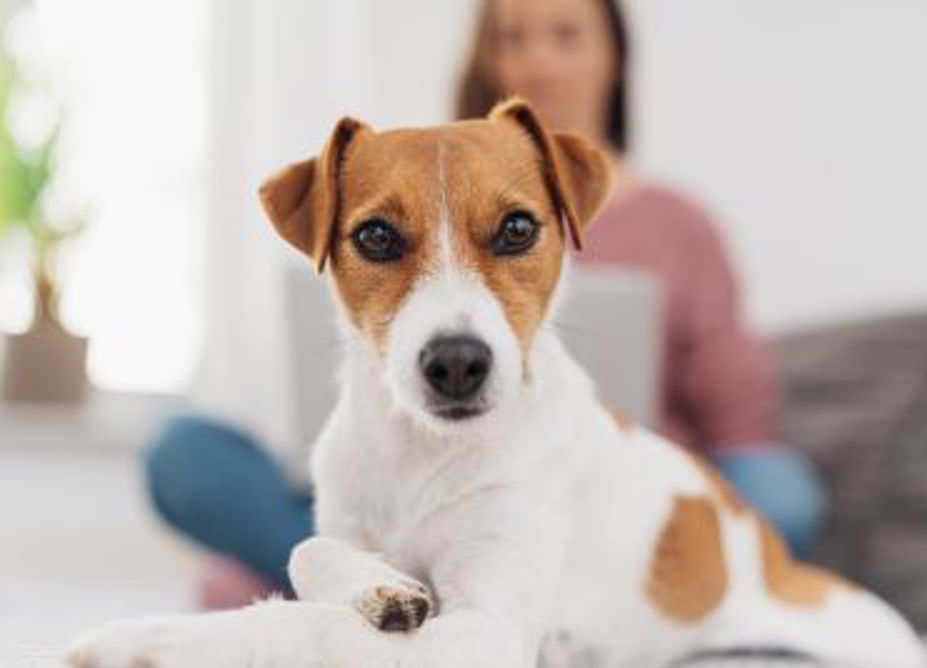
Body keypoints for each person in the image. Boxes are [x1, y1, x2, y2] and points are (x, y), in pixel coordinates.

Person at [145, 0, 826, 608]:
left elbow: (739, 416)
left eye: (565, 34)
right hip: (402, 466)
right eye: (513, 36)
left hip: (605, 486)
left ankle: (377, 584)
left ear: (612, 56)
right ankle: (400, 582)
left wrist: (662, 502)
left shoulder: (678, 223)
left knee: (781, 492)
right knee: (186, 452)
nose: (538, 57)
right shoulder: (397, 168)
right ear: (486, 57)